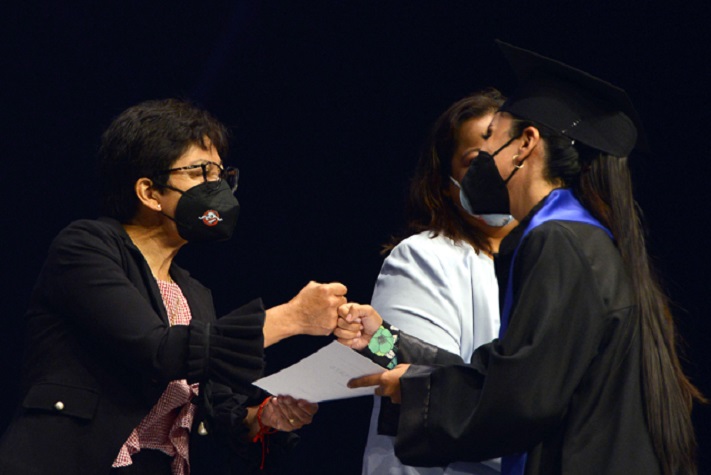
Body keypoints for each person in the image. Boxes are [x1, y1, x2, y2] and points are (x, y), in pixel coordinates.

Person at [337, 41, 704, 475]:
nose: (483, 161)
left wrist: (418, 392)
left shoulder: (559, 241)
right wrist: (385, 342)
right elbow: (509, 373)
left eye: (492, 137)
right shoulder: (571, 239)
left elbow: (520, 396)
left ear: (525, 144)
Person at [0, 98, 347, 475]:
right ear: (149, 192)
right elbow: (158, 351)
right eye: (200, 172)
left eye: (220, 175)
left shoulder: (193, 293)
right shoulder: (85, 248)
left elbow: (213, 410)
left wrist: (263, 417)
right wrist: (292, 318)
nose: (216, 188)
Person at [362, 89, 515, 475]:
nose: (494, 170)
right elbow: (419, 390)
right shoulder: (424, 258)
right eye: (476, 161)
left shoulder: (550, 260)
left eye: (504, 153)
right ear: (447, 183)